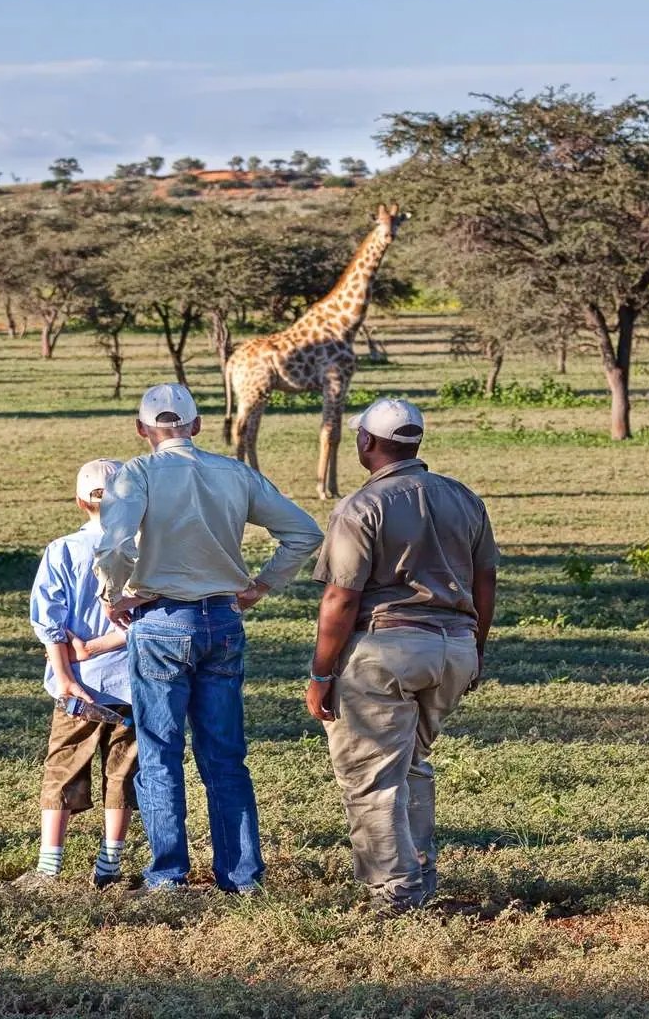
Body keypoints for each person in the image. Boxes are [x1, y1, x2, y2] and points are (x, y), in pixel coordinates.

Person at [94, 383, 323, 893]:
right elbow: (304, 533)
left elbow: (115, 547)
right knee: (224, 756)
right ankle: (241, 876)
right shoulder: (234, 472)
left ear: (141, 429)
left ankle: (168, 876)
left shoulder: (137, 473)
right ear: (196, 426)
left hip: (158, 623)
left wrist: (113, 596)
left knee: (159, 753)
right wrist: (261, 586)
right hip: (222, 620)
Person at [304, 398, 498, 913]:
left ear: (366, 442)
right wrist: (473, 651)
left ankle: (395, 894)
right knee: (410, 765)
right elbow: (485, 580)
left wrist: (321, 672)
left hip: (385, 650)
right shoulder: (464, 498)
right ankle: (418, 875)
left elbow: (341, 597)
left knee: (371, 775)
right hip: (453, 650)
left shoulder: (361, 507)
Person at [19, 458, 135, 889]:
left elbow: (47, 619)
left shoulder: (62, 550)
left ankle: (49, 867)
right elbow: (149, 618)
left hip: (77, 686)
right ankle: (109, 866)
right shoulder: (144, 550)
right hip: (134, 681)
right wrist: (105, 644)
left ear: (78, 502)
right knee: (123, 772)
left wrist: (66, 669)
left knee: (62, 768)